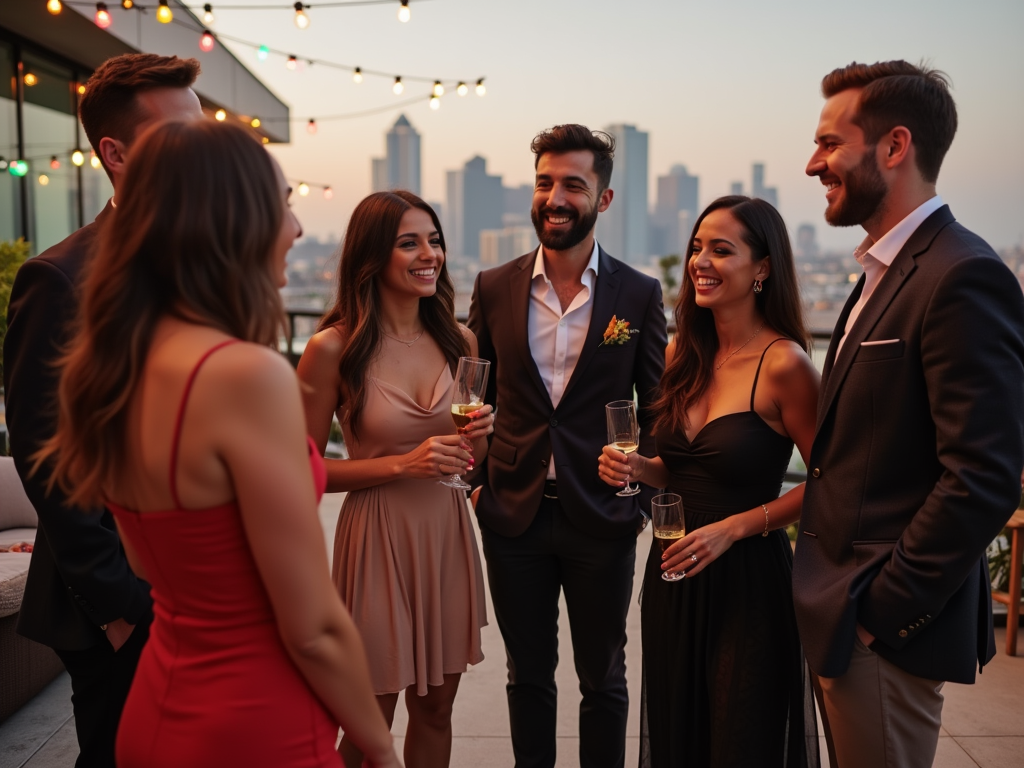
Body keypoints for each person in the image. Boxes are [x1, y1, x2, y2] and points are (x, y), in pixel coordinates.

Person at [33, 120, 401, 768]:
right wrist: (380, 747)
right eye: (284, 205)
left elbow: (157, 566)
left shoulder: (116, 368)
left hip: (157, 710)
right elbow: (313, 627)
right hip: (257, 725)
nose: (298, 229)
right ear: (233, 221)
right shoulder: (245, 375)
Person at [794, 60, 1024, 768]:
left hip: (881, 630)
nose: (813, 163)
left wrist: (879, 614)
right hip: (841, 616)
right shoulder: (884, 272)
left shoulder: (961, 274)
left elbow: (983, 477)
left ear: (894, 147)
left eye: (830, 143)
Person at [2, 52, 203, 768]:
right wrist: (123, 608)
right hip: (124, 606)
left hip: (205, 590)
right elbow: (46, 455)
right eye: (180, 136)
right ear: (115, 154)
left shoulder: (205, 267)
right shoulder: (58, 278)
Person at [467, 124, 668, 768]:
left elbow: (657, 408)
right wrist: (477, 482)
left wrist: (637, 495)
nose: (555, 197)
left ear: (602, 201)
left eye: (573, 186)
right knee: (526, 674)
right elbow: (477, 392)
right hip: (513, 516)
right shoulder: (493, 286)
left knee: (603, 679)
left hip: (603, 518)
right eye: (544, 183)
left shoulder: (637, 294)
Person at [599, 196, 821, 767]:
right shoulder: (680, 354)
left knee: (739, 742)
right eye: (698, 247)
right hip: (675, 572)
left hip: (748, 583)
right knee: (680, 736)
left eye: (722, 249)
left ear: (763, 268)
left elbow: (830, 482)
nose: (702, 260)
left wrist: (733, 530)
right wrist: (637, 469)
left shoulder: (785, 363)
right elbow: (679, 468)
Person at [297, 190, 492, 768]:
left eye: (434, 241)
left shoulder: (461, 343)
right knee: (367, 723)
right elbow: (299, 472)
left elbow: (469, 457)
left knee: (436, 712)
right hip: (375, 542)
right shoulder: (331, 348)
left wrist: (479, 432)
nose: (428, 254)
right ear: (373, 256)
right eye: (409, 242)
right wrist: (403, 465)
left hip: (446, 538)